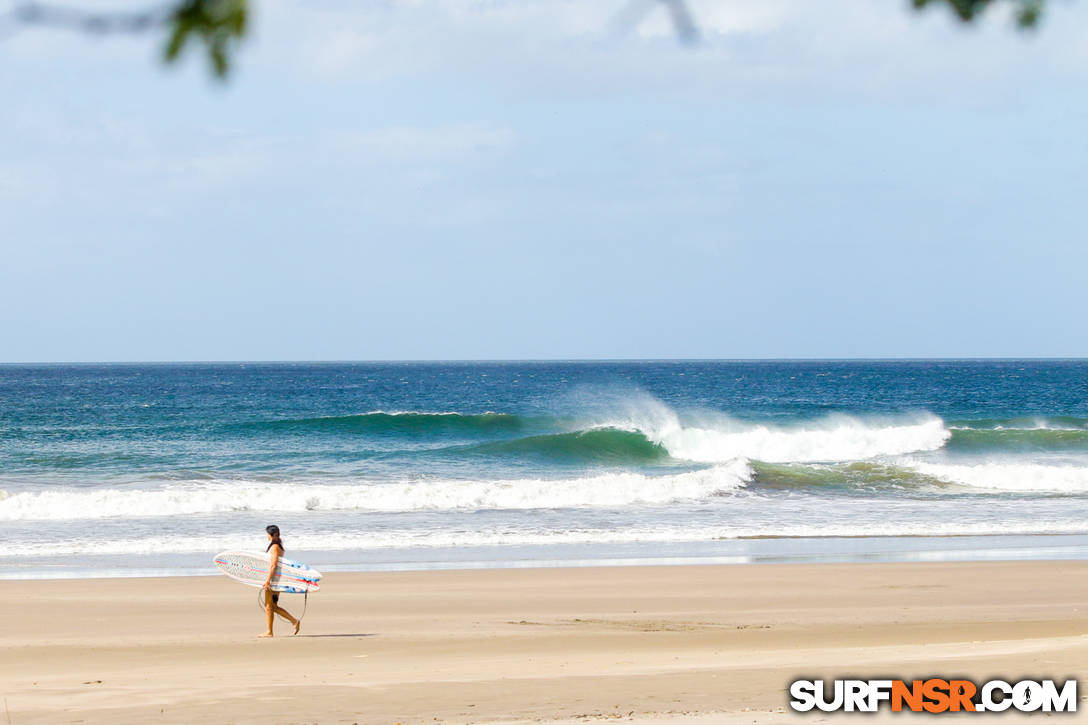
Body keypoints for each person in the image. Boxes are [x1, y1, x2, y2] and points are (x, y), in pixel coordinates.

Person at [259, 524, 301, 638]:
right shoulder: (278, 546)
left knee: (269, 606)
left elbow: (273, 565)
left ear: (270, 535)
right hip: (276, 579)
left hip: (274, 580)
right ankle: (291, 622)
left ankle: (271, 631)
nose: (266, 536)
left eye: (267, 534)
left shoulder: (275, 547)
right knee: (271, 606)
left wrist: (268, 581)